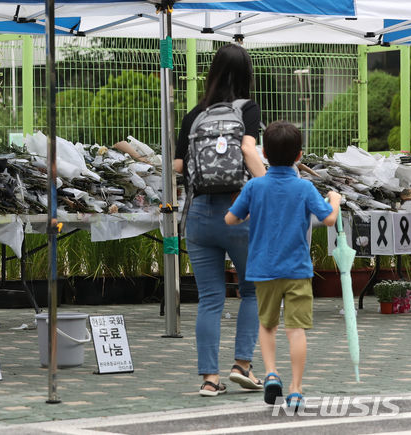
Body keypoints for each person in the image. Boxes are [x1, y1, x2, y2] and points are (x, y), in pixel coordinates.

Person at [224, 121, 341, 408]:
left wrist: (247, 214)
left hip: (263, 269)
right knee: (296, 329)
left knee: (267, 325)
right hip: (297, 269)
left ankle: (272, 373)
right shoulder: (304, 187)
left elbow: (230, 219)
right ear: (300, 155)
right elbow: (328, 219)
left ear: (263, 152)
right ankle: (297, 389)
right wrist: (335, 200)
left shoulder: (254, 186)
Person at [173, 43, 267, 397]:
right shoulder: (247, 108)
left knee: (210, 298)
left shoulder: (195, 115)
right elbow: (246, 149)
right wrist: (268, 186)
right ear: (246, 75)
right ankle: (242, 365)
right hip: (238, 211)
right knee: (252, 290)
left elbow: (179, 165)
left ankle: (210, 380)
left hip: (199, 214)